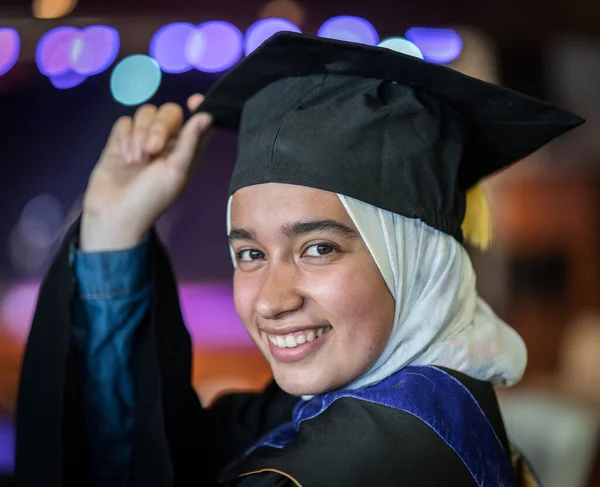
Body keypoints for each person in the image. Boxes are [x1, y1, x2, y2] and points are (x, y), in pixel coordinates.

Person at [15, 33, 583, 487]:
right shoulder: (416, 400)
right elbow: (168, 453)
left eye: (319, 248)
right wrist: (114, 226)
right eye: (251, 253)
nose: (272, 298)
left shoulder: (354, 464)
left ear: (418, 266)